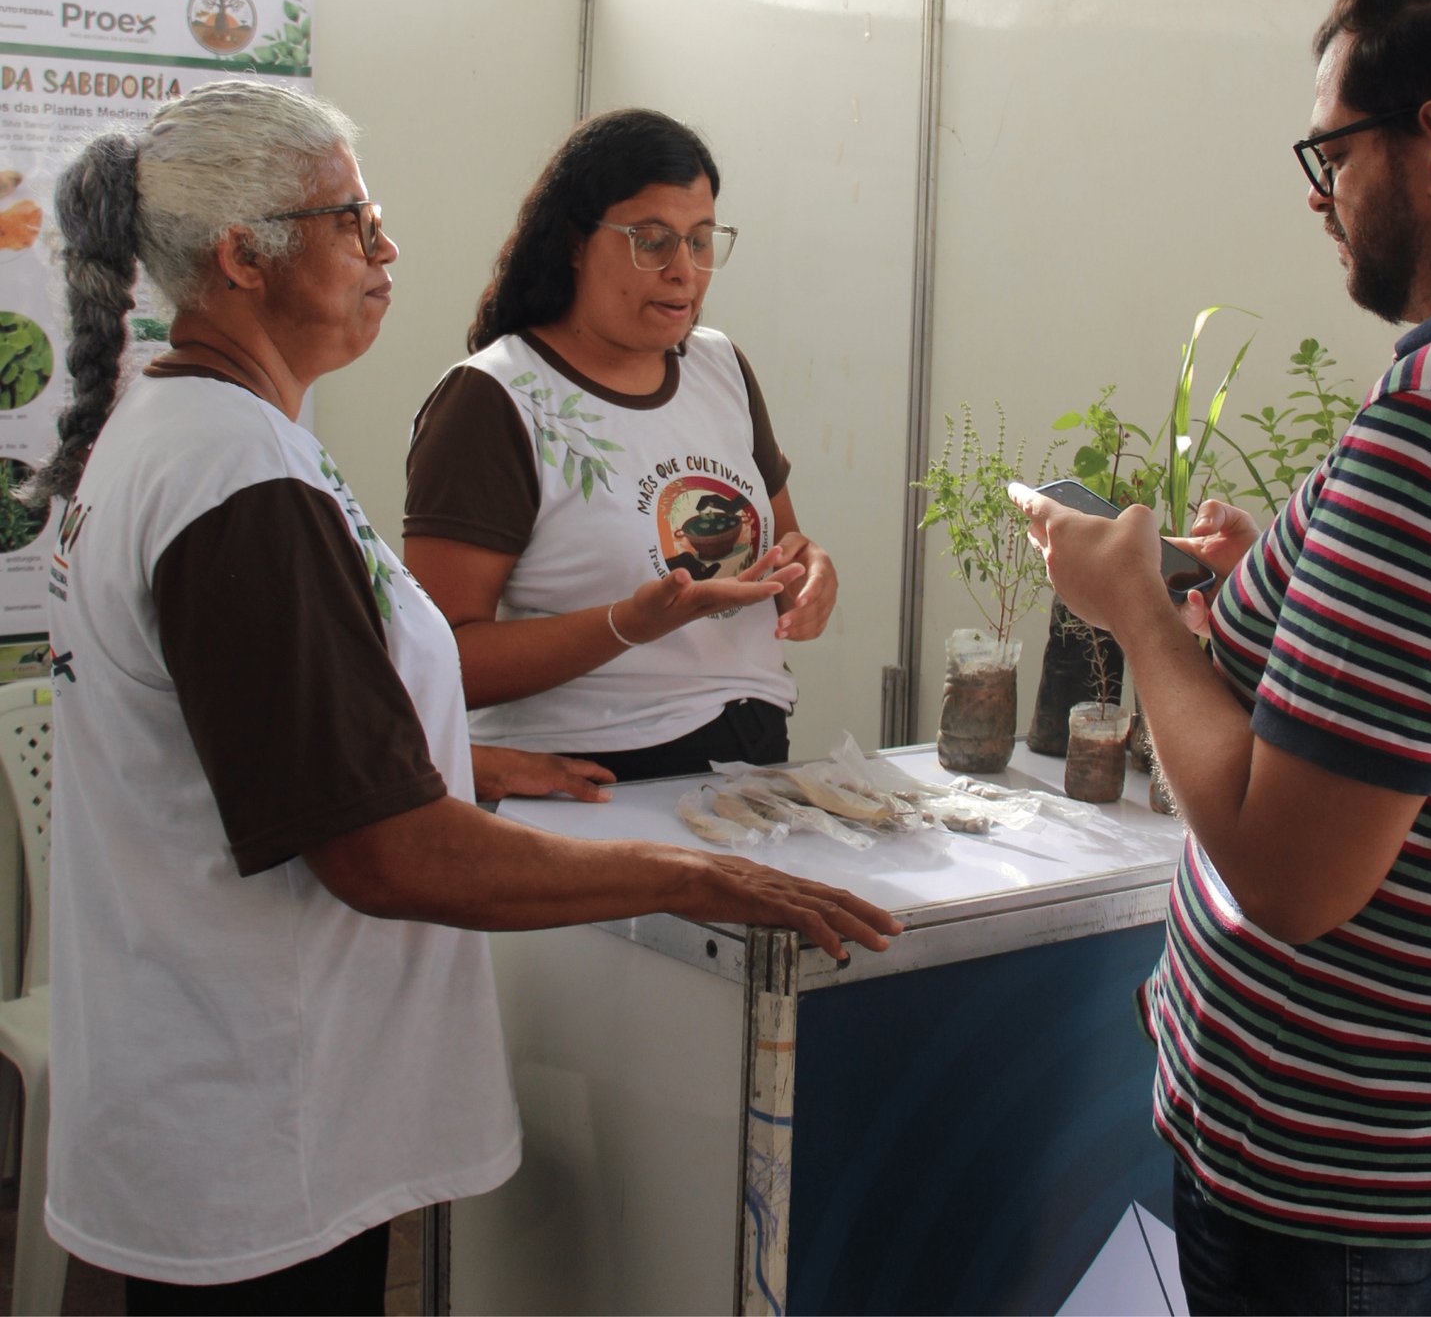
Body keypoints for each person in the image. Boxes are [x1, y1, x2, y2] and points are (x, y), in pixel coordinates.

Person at [39, 81, 898, 1315]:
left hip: (209, 1079)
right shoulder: (236, 475)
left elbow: (250, 729)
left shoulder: (192, 437)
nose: (388, 249)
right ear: (241, 256)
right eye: (353, 221)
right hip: (255, 1103)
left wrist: (457, 757)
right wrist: (690, 877)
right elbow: (382, 853)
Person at [1011, 0, 1431, 1315]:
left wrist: (1138, 608)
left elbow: (1292, 877)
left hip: (1348, 1180)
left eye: (1330, 155)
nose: (1322, 202)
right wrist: (1282, 586)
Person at [403, 108, 836, 782]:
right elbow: (438, 659)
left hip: (750, 755)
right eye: (650, 240)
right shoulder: (497, 397)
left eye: (700, 241)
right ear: (574, 241)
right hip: (593, 777)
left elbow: (784, 550)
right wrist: (627, 624)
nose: (683, 271)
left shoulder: (718, 366)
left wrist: (807, 578)